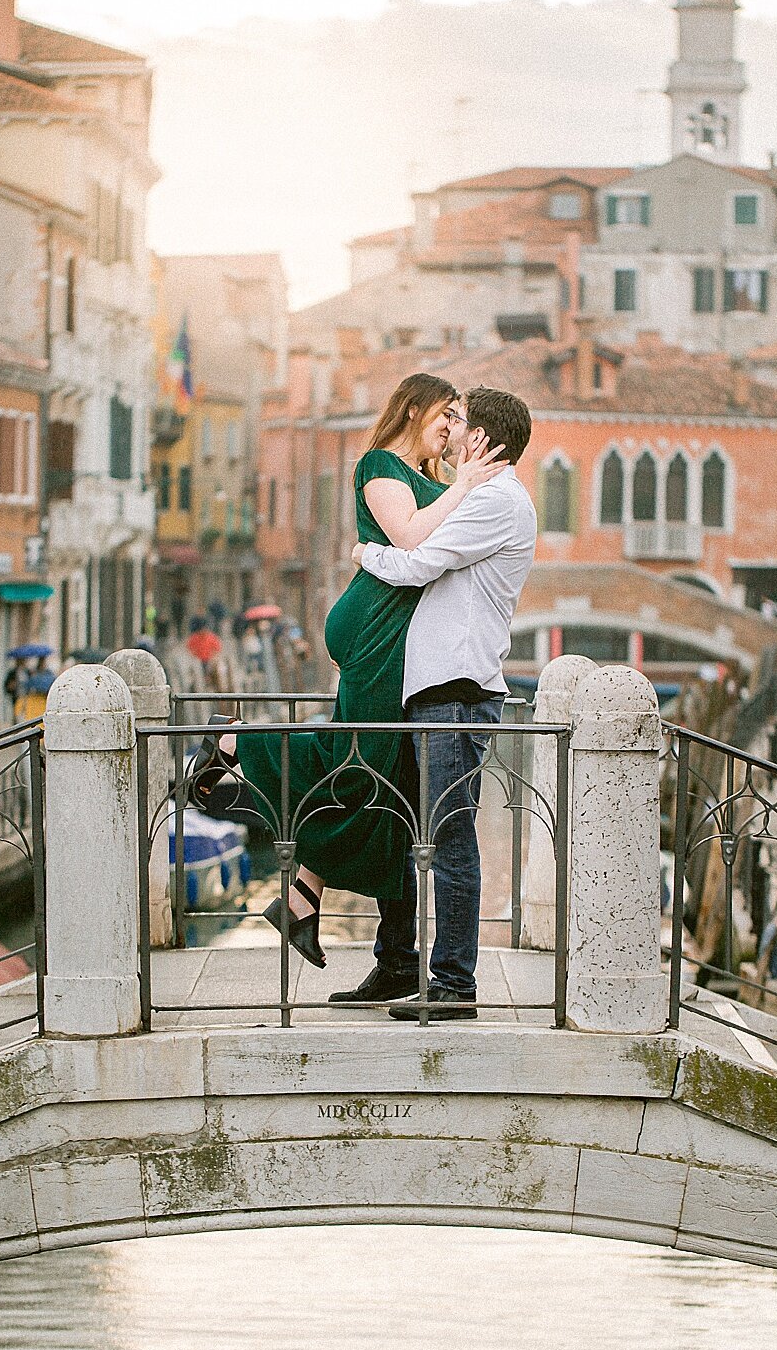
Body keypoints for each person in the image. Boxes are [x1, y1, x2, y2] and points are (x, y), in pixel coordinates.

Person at [190, 373, 506, 964]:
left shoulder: (431, 479)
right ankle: (235, 741)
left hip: (395, 638)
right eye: (447, 415)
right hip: (372, 628)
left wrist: (456, 485)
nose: (451, 428)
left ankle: (306, 899)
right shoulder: (381, 466)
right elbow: (410, 539)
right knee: (356, 766)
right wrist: (464, 483)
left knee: (379, 785)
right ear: (414, 409)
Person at [338, 386, 538, 1020]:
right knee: (421, 830)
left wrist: (365, 552)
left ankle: (454, 983)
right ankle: (403, 962)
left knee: (451, 838)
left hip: (457, 693)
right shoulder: (482, 499)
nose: (448, 433)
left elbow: (417, 563)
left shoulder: (497, 503)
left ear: (483, 440)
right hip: (437, 691)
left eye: (460, 424)